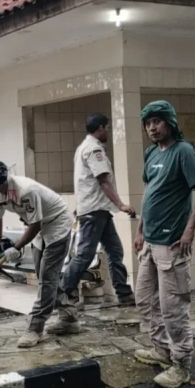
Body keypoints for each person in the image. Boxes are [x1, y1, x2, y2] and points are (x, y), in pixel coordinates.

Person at [133, 101, 195, 388]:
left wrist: (189, 229)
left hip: (171, 244)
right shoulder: (151, 153)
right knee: (146, 299)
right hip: (150, 241)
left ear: (169, 122)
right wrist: (140, 230)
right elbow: (149, 191)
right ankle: (161, 350)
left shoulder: (183, 151)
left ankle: (181, 364)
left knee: (173, 307)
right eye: (147, 123)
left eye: (157, 121)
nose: (152, 128)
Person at [0, 158, 77, 348]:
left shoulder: (26, 190)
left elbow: (35, 224)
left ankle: (34, 328)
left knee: (47, 278)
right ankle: (69, 318)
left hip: (57, 224)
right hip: (37, 228)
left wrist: (16, 247)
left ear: (1, 181)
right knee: (45, 277)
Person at [57, 114, 136, 316]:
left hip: (98, 210)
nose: (108, 131)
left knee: (115, 251)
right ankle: (63, 293)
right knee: (85, 255)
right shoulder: (94, 149)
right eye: (107, 128)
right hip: (94, 211)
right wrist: (121, 204)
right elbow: (103, 181)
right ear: (100, 128)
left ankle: (124, 293)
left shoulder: (83, 147)